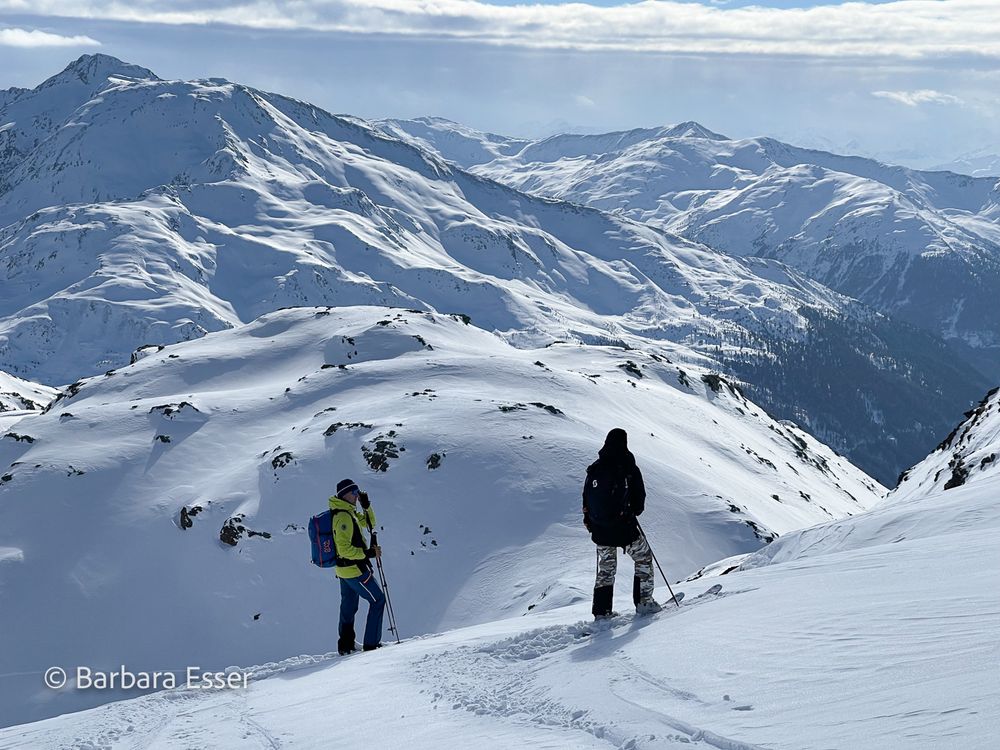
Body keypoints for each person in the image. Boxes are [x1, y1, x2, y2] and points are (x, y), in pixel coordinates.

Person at [581, 428, 661, 619]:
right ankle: (644, 603)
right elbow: (639, 501)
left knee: (606, 569)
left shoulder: (595, 468)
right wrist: (631, 512)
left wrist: (591, 523)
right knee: (643, 559)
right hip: (624, 529)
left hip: (600, 530)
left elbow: (586, 498)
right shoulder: (628, 467)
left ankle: (601, 612)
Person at [330, 478, 386, 655]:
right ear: (344, 494)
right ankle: (371, 644)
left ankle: (345, 644)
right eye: (354, 493)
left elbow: (370, 524)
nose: (356, 496)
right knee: (378, 600)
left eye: (357, 493)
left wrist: (366, 506)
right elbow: (344, 549)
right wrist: (368, 554)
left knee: (348, 605)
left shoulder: (348, 512)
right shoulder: (344, 517)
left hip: (344, 571)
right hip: (354, 569)